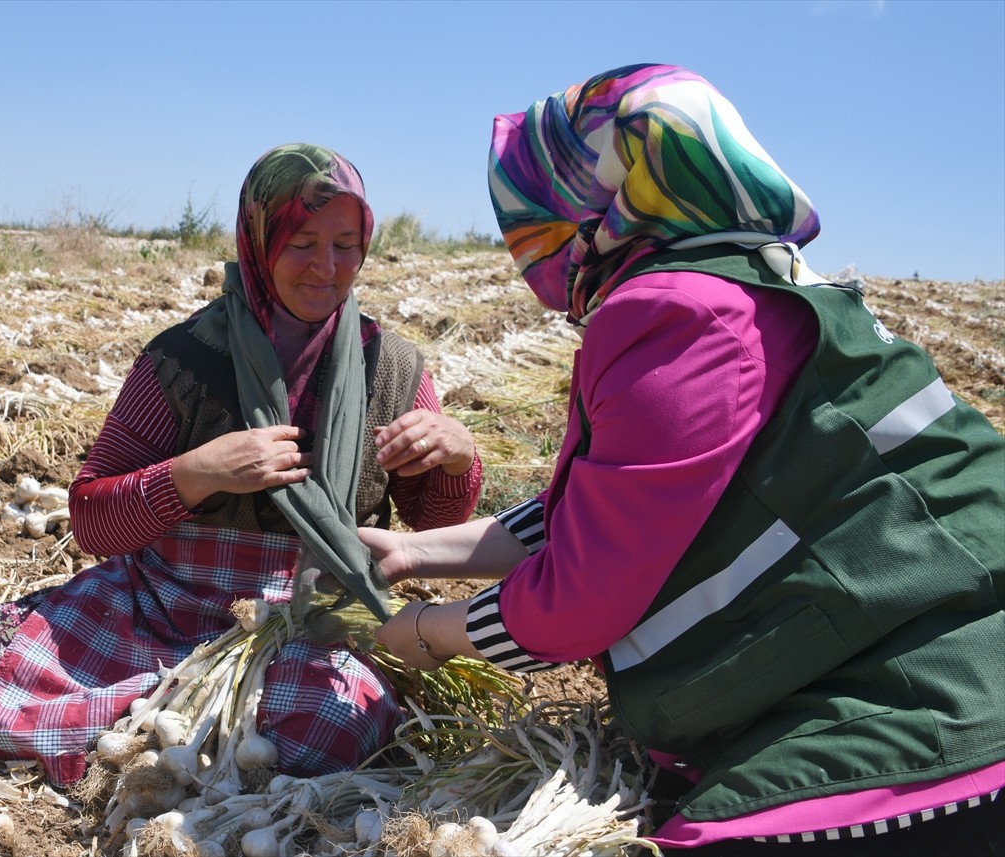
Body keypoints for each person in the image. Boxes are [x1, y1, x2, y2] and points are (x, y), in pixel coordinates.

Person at [366, 64, 1004, 855]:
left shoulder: (677, 315)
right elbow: (604, 512)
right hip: (905, 628)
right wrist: (411, 551)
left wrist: (427, 631)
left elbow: (580, 599)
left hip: (931, 687)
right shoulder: (748, 279)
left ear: (597, 198)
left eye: (535, 211)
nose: (525, 243)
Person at [0, 143, 482, 787]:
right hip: (163, 606)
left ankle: (159, 741)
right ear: (259, 239)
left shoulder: (393, 369)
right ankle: (178, 735)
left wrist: (454, 456)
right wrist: (197, 471)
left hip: (311, 624)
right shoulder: (184, 361)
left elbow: (433, 517)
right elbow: (93, 521)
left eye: (346, 244)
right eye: (302, 242)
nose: (327, 267)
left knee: (328, 725)